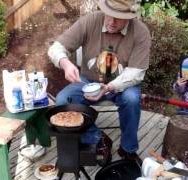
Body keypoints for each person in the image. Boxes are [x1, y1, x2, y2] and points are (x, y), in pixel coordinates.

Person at [48, 0, 151, 165]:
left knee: (132, 99)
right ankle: (98, 138)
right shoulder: (90, 21)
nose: (111, 22)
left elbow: (136, 73)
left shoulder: (141, 32)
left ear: (129, 17)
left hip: (122, 85)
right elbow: (56, 48)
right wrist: (65, 63)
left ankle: (128, 149)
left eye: (118, 18)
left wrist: (110, 87)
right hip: (87, 83)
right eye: (109, 15)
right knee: (62, 100)